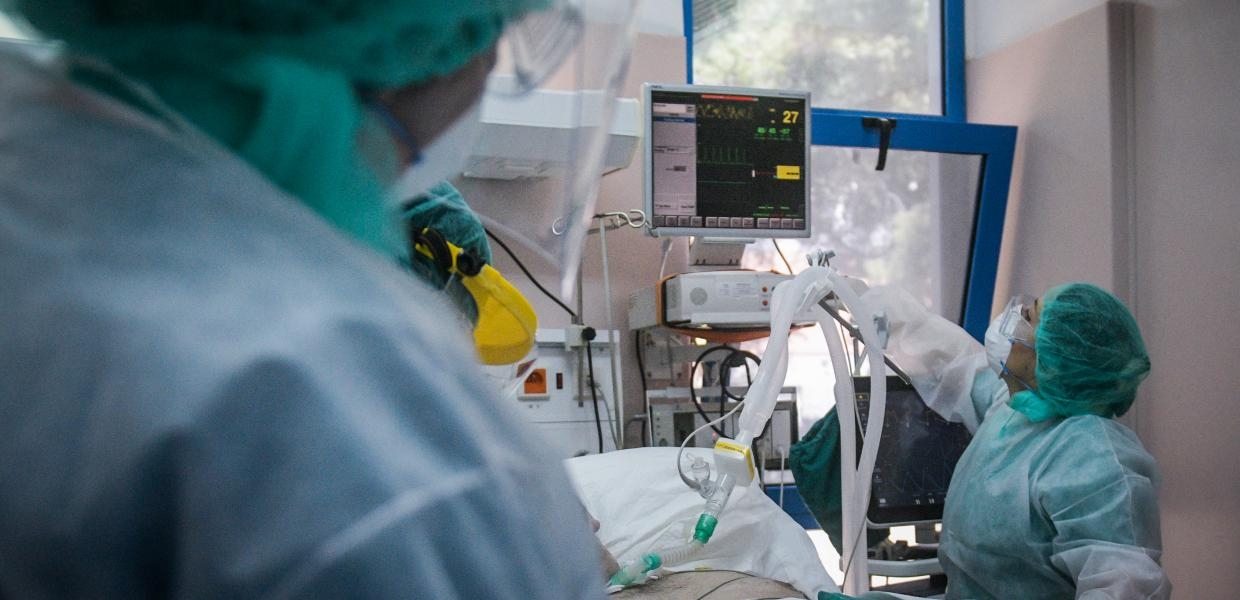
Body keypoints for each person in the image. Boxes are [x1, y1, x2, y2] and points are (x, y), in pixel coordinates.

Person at [0, 1, 622, 598]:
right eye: (490, 30)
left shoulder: (34, 169)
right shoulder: (333, 385)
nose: (485, 62)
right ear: (408, 39)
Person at [861, 282, 1171, 599]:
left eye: (1028, 317)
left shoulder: (1093, 459)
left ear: (1052, 359)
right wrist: (868, 303)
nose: (1014, 317)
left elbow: (1126, 588)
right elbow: (953, 362)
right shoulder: (1016, 409)